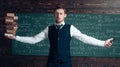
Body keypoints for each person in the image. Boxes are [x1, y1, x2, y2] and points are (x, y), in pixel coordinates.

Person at [6, 4, 114, 67]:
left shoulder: (70, 28)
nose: (58, 15)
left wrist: (103, 43)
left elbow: (85, 38)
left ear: (65, 15)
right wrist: (16, 37)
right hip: (51, 63)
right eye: (56, 13)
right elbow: (33, 39)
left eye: (61, 13)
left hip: (66, 63)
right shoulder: (49, 29)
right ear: (54, 15)